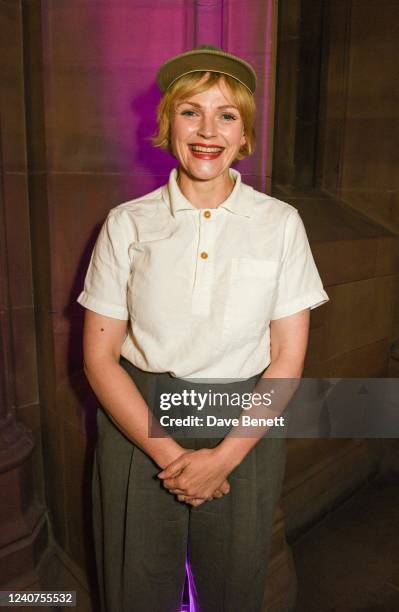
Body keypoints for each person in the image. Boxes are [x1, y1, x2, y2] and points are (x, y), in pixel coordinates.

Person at [77, 45, 329, 612]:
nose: (207, 129)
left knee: (235, 587)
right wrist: (171, 457)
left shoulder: (280, 224)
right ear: (168, 122)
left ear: (245, 135)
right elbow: (99, 357)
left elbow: (288, 358)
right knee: (134, 585)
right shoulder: (128, 222)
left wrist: (222, 458)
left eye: (227, 114)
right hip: (138, 418)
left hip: (241, 419)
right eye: (191, 110)